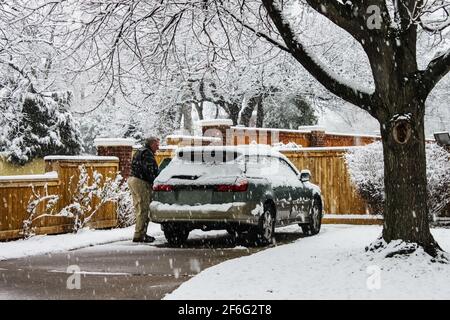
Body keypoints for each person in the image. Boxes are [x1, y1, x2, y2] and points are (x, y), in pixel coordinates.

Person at [128, 136, 160, 243]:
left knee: (139, 208)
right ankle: (140, 235)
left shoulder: (140, 151)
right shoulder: (147, 154)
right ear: (151, 144)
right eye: (156, 145)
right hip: (141, 181)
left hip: (133, 179)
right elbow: (150, 171)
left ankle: (140, 233)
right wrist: (155, 182)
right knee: (144, 208)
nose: (158, 147)